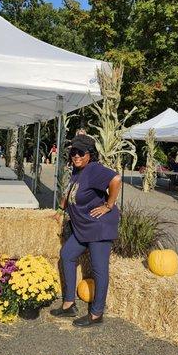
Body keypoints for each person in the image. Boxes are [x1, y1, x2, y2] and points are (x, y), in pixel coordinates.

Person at [50, 135, 121, 328]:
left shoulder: (94, 169)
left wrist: (109, 205)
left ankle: (97, 314)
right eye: (73, 152)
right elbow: (70, 192)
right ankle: (69, 304)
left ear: (90, 155)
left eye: (80, 152)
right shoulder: (77, 170)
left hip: (99, 226)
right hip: (83, 227)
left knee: (99, 269)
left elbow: (116, 179)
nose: (76, 156)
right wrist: (60, 209)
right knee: (67, 254)